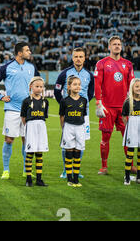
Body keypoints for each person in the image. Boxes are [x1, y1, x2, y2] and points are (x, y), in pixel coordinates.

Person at [0, 42, 40, 180]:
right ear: (19, 53)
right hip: (12, 109)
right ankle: (6, 170)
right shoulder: (7, 67)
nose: (30, 52)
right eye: (27, 50)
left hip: (29, 109)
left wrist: (37, 99)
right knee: (9, 139)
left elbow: (39, 84)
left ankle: (26, 169)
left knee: (27, 140)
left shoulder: (32, 68)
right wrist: (0, 96)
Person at [94, 36, 135, 175]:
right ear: (109, 47)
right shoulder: (102, 63)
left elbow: (132, 84)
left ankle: (131, 165)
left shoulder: (128, 64)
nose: (117, 46)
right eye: (114, 44)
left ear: (121, 47)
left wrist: (133, 102)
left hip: (124, 107)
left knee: (128, 136)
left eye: (119, 44)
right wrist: (98, 102)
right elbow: (97, 83)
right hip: (107, 107)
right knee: (105, 137)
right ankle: (104, 167)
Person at [54, 47, 94, 179]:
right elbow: (56, 90)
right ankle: (66, 170)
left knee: (80, 143)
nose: (78, 59)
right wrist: (64, 104)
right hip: (68, 115)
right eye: (76, 56)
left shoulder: (89, 75)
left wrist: (83, 104)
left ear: (84, 58)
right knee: (67, 143)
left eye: (81, 56)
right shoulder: (64, 73)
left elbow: (90, 93)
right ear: (72, 58)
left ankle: (77, 169)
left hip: (84, 114)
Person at [59, 76, 88, 187]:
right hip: (68, 127)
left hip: (80, 127)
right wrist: (64, 128)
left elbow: (83, 115)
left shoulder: (83, 100)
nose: (77, 86)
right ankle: (69, 179)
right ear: (69, 87)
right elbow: (62, 116)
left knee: (78, 152)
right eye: (75, 84)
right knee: (69, 152)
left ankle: (76, 179)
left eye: (79, 84)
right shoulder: (65, 101)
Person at [20, 76, 49, 187]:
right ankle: (28, 179)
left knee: (40, 153)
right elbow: (23, 117)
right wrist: (29, 127)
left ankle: (39, 179)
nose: (39, 88)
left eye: (41, 87)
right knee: (30, 153)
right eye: (37, 86)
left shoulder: (45, 101)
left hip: (41, 126)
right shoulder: (26, 101)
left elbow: (45, 116)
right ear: (31, 87)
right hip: (30, 126)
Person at [121, 78, 140, 185]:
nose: (139, 89)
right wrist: (129, 127)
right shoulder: (128, 101)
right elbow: (124, 116)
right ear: (132, 88)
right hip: (132, 128)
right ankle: (127, 177)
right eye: (137, 87)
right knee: (130, 153)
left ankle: (138, 176)